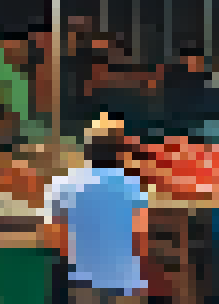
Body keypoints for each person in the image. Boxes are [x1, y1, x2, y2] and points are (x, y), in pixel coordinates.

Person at [42, 116, 151, 304]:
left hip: (83, 283)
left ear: (87, 148)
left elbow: (54, 238)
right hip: (125, 283)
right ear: (120, 151)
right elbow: (141, 238)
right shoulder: (133, 186)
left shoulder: (65, 184)